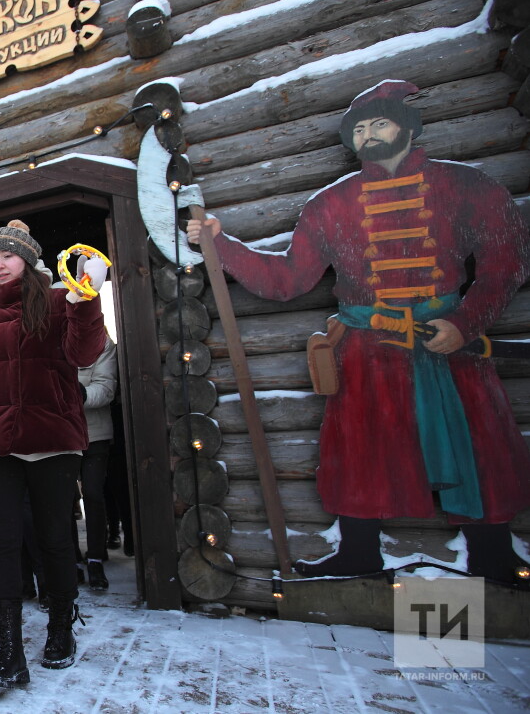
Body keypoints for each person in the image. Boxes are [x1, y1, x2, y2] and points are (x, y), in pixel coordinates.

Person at [187, 80, 530, 585]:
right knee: (358, 449)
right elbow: (288, 279)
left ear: (407, 127)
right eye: (361, 128)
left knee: (478, 441)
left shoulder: (465, 185)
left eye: (380, 123)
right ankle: (359, 552)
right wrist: (223, 246)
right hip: (368, 349)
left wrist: (464, 324)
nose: (369, 134)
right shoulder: (331, 203)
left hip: (447, 340)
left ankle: (493, 554)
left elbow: (505, 262)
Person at [0, 219, 107, 687]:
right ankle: (9, 650)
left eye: (8, 256)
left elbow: (85, 353)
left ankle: (61, 629)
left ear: (27, 258)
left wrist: (86, 302)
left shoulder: (61, 300)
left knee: (55, 540)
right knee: (2, 545)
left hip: (52, 440)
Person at [76, 334, 118, 591]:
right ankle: (69, 558)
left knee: (92, 494)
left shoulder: (101, 342)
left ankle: (95, 558)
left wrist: (75, 395)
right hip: (60, 434)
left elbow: (105, 387)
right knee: (60, 500)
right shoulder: (49, 335)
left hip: (95, 434)